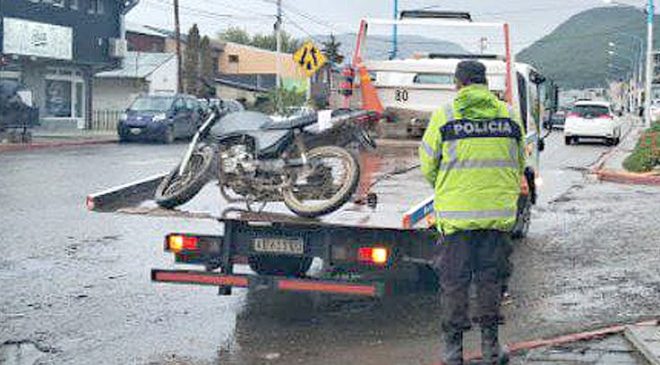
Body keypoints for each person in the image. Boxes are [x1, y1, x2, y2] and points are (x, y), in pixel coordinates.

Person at [419, 60, 525, 365]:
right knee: (491, 281)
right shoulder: (508, 115)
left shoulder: (445, 115)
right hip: (496, 220)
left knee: (454, 283)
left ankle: (454, 353)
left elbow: (428, 165)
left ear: (458, 83)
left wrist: (448, 187)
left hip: (456, 220)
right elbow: (519, 164)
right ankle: (492, 350)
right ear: (484, 83)